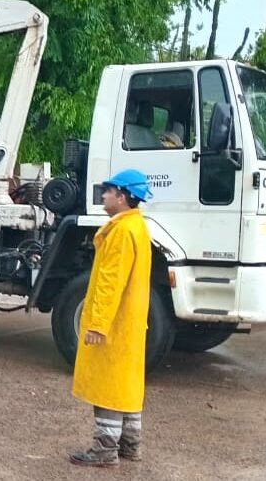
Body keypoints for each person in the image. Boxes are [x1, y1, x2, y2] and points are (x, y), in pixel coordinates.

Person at [69, 169, 153, 468]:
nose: (103, 195)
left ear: (122, 196)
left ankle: (105, 450)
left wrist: (97, 324)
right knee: (126, 385)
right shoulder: (138, 228)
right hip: (129, 323)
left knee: (107, 386)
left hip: (114, 324)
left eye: (108, 190)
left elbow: (110, 282)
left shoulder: (121, 232)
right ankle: (130, 445)